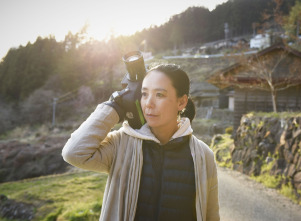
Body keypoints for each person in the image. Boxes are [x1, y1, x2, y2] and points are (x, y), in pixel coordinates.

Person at [62, 64, 220, 221]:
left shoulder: (203, 155)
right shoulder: (122, 144)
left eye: (159, 95)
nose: (149, 103)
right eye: (144, 94)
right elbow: (74, 153)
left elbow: (211, 215)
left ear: (181, 102)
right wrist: (115, 106)